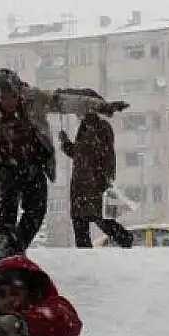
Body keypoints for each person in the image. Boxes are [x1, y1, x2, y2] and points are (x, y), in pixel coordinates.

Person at [0, 69, 131, 260]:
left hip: (33, 164)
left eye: (12, 96)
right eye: (3, 98)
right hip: (4, 168)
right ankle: (5, 241)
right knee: (7, 201)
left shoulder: (34, 98)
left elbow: (63, 102)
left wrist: (101, 106)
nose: (9, 102)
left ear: (19, 91)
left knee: (36, 210)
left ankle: (15, 248)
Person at [57, 88, 134, 249]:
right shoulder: (84, 128)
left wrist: (104, 182)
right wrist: (65, 144)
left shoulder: (101, 127)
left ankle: (125, 239)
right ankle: (86, 256)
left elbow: (107, 157)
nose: (77, 112)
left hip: (93, 185)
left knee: (100, 220)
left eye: (79, 107)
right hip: (81, 185)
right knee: (81, 223)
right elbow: (80, 155)